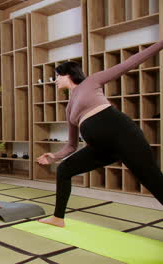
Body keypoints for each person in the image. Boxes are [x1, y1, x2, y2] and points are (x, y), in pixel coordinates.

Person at [37, 40, 163, 227]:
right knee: (64, 170)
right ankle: (58, 218)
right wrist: (54, 156)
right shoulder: (69, 107)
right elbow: (72, 144)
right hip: (101, 148)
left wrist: (160, 43)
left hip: (123, 135)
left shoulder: (92, 81)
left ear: (69, 74)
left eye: (57, 76)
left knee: (154, 181)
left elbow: (128, 64)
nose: (55, 80)